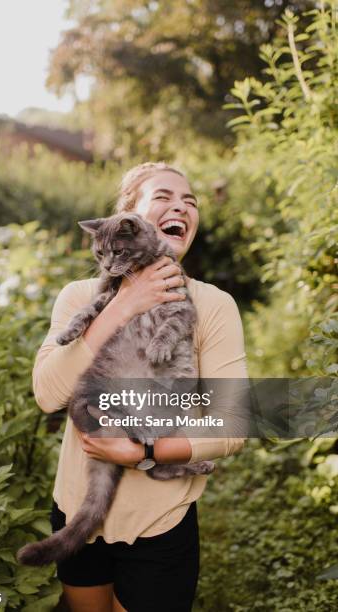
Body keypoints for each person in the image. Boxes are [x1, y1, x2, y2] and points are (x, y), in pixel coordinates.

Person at [33, 162, 249, 612]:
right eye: (164, 197)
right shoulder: (77, 296)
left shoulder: (212, 305)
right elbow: (48, 394)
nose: (181, 207)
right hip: (79, 506)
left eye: (190, 201)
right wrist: (123, 304)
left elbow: (233, 426)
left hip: (159, 523)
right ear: (128, 215)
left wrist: (146, 453)